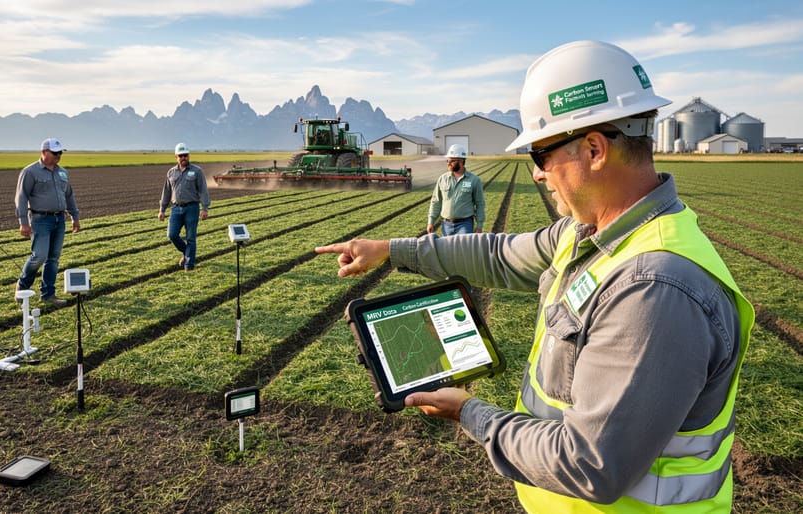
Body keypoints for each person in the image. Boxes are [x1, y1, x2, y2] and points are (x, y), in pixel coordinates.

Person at [316, 40, 754, 513]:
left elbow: (589, 465)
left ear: (594, 149)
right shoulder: (590, 233)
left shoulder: (654, 289)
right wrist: (389, 250)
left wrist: (468, 412)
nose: (539, 175)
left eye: (541, 155)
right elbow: (499, 255)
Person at [14, 137, 81, 307]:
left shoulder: (63, 173)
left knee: (53, 259)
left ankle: (48, 294)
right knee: (39, 256)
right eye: (55, 153)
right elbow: (21, 198)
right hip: (40, 219)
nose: (59, 155)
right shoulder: (30, 172)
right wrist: (23, 222)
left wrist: (75, 217)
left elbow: (69, 196)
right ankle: (22, 286)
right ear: (44, 152)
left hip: (59, 219)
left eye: (60, 153)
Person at [159, 142, 210, 271]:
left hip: (192, 208)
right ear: (176, 157)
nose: (183, 158)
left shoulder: (197, 171)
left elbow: (203, 190)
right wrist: (162, 210)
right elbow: (166, 192)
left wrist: (205, 208)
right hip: (176, 208)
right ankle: (187, 252)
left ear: (189, 156)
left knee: (191, 237)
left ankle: (189, 265)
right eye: (180, 156)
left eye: (185, 155)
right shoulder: (171, 172)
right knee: (172, 235)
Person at [427, 144, 485, 236]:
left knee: (462, 249)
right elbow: (436, 201)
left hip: (465, 224)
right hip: (446, 225)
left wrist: (479, 225)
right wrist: (431, 222)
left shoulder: (474, 180)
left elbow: (480, 203)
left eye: (451, 161)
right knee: (447, 250)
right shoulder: (443, 179)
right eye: (448, 160)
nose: (448, 163)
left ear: (461, 161)